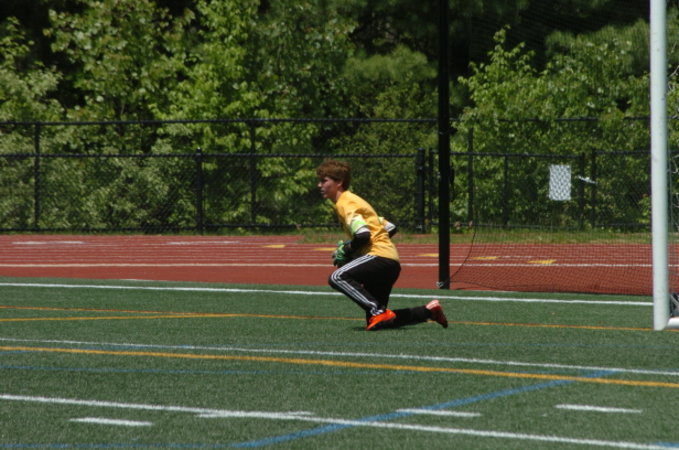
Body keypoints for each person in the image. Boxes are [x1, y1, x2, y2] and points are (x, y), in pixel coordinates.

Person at [316, 159, 448, 331]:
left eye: (324, 181)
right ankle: (428, 312)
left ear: (339, 182)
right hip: (390, 262)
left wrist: (348, 249)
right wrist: (359, 249)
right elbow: (390, 227)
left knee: (337, 277)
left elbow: (363, 235)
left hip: (379, 258)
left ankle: (377, 310)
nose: (319, 185)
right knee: (379, 321)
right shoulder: (356, 201)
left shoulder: (345, 203)